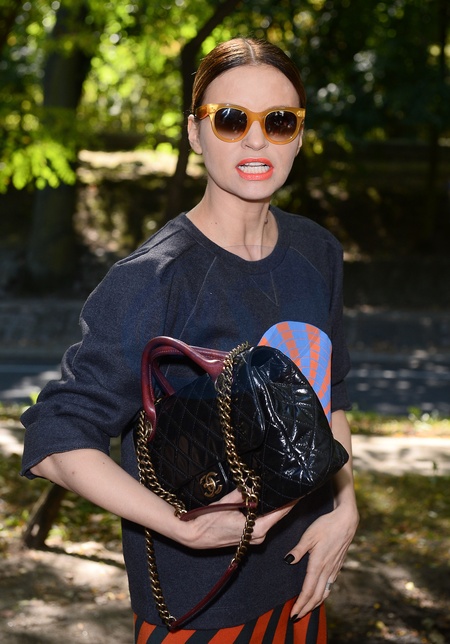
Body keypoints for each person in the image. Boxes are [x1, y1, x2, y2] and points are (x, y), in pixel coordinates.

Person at [21, 37, 359, 642]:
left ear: (299, 136)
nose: (256, 140)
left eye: (278, 121)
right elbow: (54, 438)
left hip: (303, 583)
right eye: (230, 119)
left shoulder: (318, 252)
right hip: (200, 607)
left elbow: (330, 395)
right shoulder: (154, 279)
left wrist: (346, 508)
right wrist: (182, 527)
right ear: (194, 133)